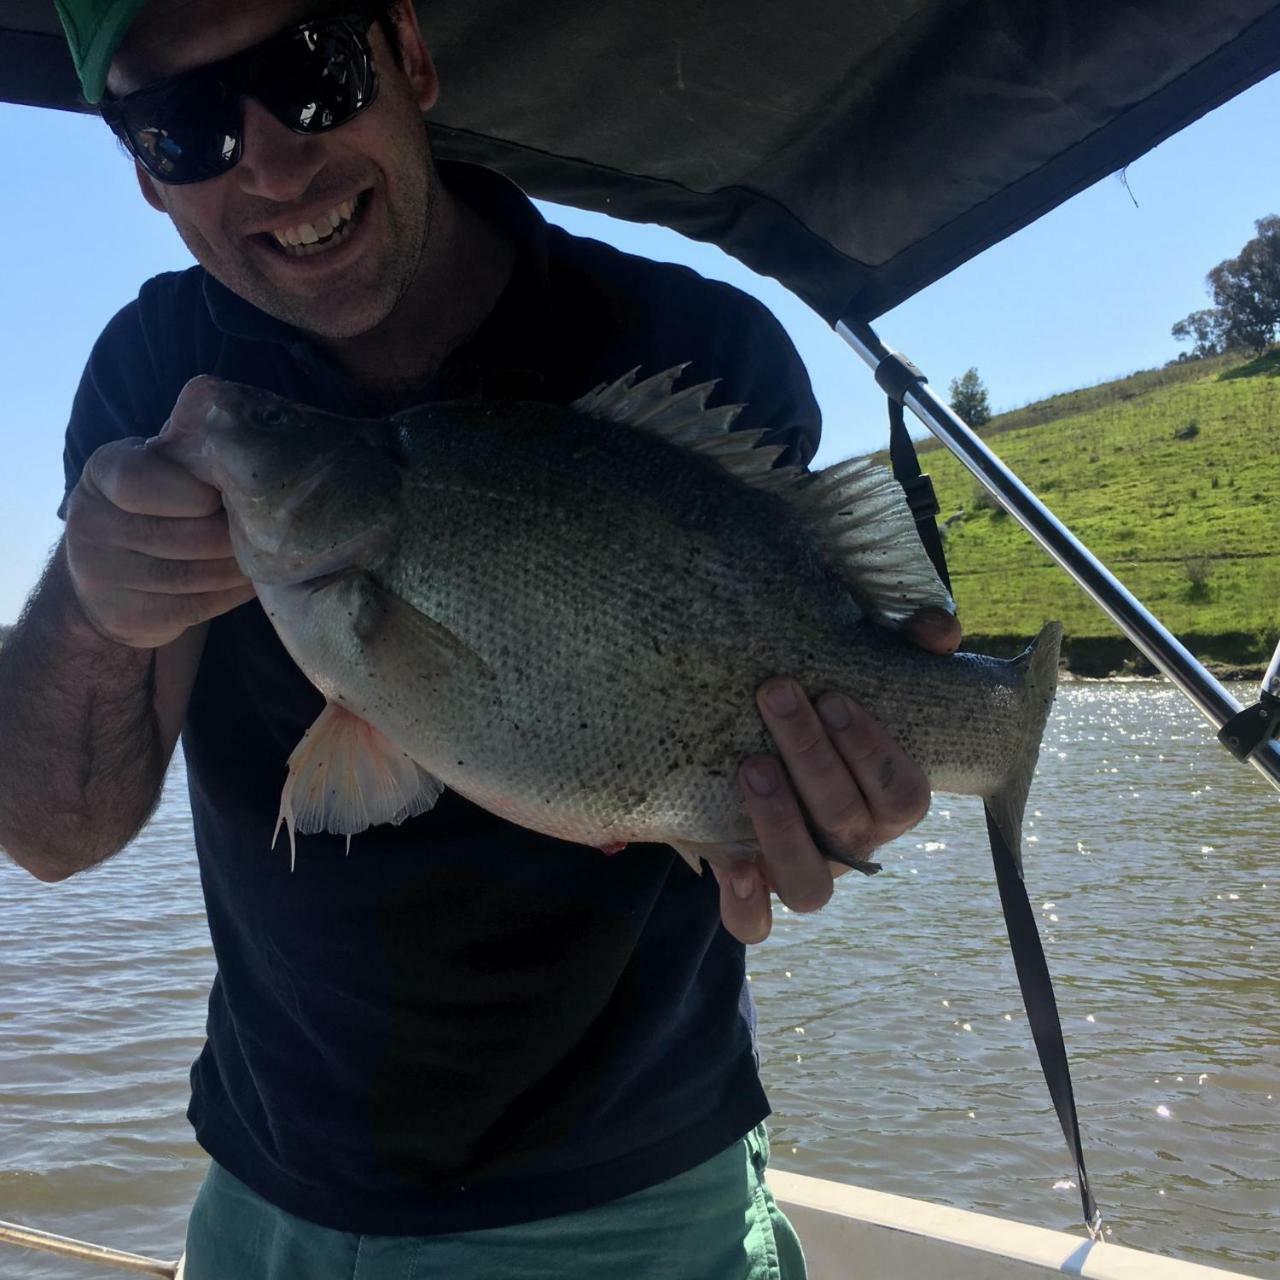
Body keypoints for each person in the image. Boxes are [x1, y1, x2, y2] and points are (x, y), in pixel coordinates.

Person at [0, 2, 961, 1275]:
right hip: (264, 1198)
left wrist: (823, 806)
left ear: (409, 55)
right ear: (141, 170)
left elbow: (789, 716)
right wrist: (90, 602)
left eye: (313, 70)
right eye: (184, 126)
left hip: (635, 1205)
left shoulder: (696, 348)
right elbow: (53, 833)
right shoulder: (155, 370)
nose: (273, 164)